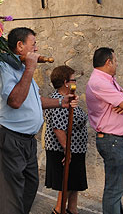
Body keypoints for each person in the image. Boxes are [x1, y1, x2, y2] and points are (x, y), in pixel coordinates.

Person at [0, 27, 77, 214]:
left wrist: (61, 102)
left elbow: (33, 101)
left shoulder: (22, 69)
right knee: (11, 195)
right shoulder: (4, 67)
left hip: (27, 141)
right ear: (20, 46)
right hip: (8, 137)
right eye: (33, 44)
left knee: (29, 186)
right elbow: (15, 100)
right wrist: (30, 68)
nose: (37, 48)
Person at [85, 47, 123, 214]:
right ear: (108, 62)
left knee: (117, 189)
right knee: (115, 190)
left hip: (117, 141)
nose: (117, 64)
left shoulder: (107, 80)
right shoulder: (99, 82)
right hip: (113, 141)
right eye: (115, 61)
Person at [44, 65, 88, 214]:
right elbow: (58, 129)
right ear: (65, 82)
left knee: (74, 184)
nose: (76, 83)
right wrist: (67, 151)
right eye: (74, 79)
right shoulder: (59, 100)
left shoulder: (68, 99)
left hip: (75, 148)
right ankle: (59, 211)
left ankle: (72, 210)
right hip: (64, 150)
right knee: (67, 185)